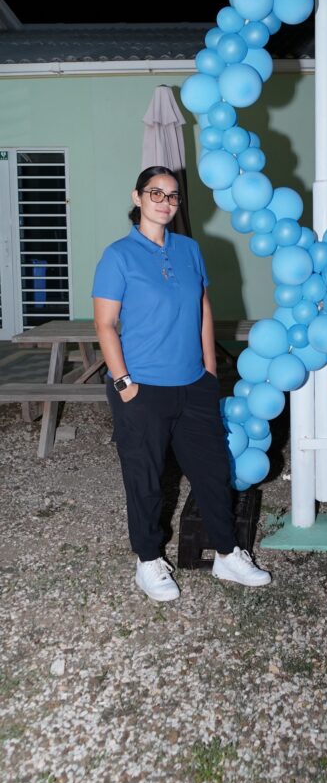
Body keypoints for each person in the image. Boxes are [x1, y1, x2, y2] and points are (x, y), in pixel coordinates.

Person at [92, 166, 271, 601]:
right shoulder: (118, 255)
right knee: (146, 479)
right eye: (156, 193)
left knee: (213, 473)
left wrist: (209, 369)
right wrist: (124, 382)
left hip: (193, 384)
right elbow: (105, 324)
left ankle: (227, 553)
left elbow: (203, 307)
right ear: (137, 198)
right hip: (142, 388)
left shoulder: (189, 250)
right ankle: (148, 560)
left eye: (172, 195)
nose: (165, 202)